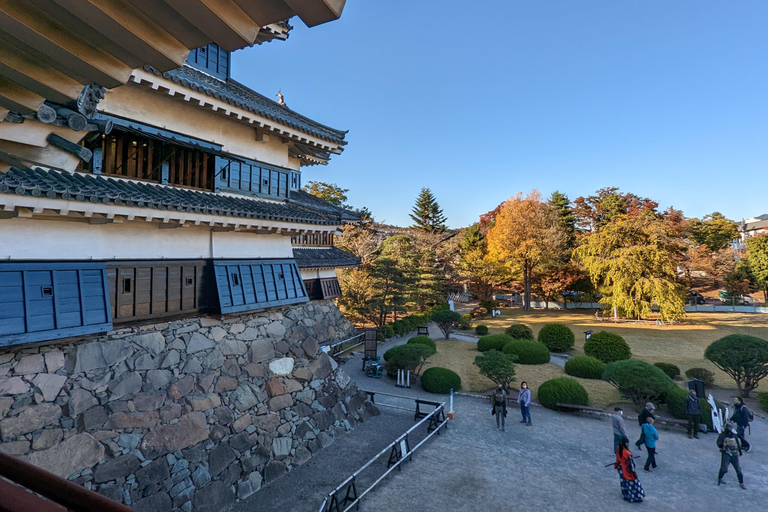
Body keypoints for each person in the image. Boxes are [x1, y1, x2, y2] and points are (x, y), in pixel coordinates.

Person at [615, 437, 645, 502]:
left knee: (623, 482)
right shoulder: (627, 453)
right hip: (627, 469)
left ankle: (625, 495)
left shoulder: (618, 449)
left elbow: (618, 459)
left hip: (621, 468)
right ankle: (635, 496)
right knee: (632, 483)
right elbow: (630, 464)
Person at [717, 422, 746, 489]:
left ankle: (741, 482)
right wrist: (723, 447)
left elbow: (740, 443)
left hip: (734, 454)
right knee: (724, 468)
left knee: (738, 469)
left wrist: (740, 449)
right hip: (726, 453)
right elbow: (719, 443)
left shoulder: (735, 435)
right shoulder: (723, 435)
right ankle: (720, 478)